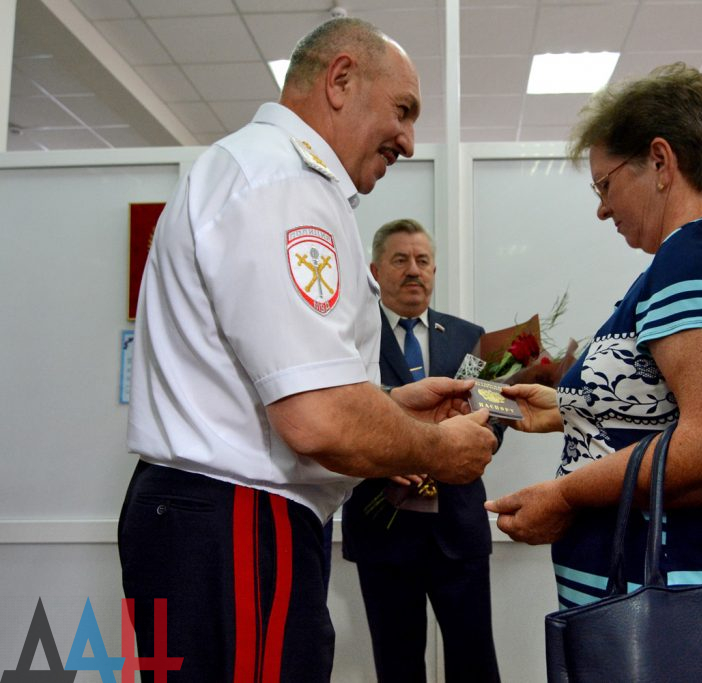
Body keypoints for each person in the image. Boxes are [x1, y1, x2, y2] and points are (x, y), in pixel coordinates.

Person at [119, 18, 496, 682]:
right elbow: (316, 418)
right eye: (403, 110)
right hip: (238, 521)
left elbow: (282, 389)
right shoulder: (285, 182)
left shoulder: (259, 172)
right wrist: (437, 450)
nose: (409, 140)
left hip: (220, 521)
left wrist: (391, 410)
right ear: (341, 79)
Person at [485, 63, 702, 613]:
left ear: (659, 161)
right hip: (667, 583)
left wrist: (565, 495)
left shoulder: (698, 253)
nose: (602, 208)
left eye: (605, 184)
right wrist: (568, 409)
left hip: (674, 589)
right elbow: (683, 407)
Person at [341, 218, 502, 683]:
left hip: (458, 528)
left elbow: (495, 419)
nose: (414, 270)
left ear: (433, 271)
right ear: (375, 271)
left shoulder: (470, 337)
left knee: (475, 663)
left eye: (423, 260)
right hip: (382, 529)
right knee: (397, 665)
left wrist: (466, 435)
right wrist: (389, 454)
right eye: (400, 260)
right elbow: (342, 414)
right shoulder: (350, 337)